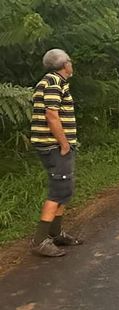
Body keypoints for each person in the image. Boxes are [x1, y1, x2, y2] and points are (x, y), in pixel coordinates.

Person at [30, 49, 84, 257]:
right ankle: (40, 240)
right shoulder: (53, 83)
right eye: (70, 61)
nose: (72, 64)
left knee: (64, 189)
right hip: (54, 146)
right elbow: (51, 115)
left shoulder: (52, 81)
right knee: (58, 190)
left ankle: (55, 233)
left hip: (53, 145)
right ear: (64, 65)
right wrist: (64, 144)